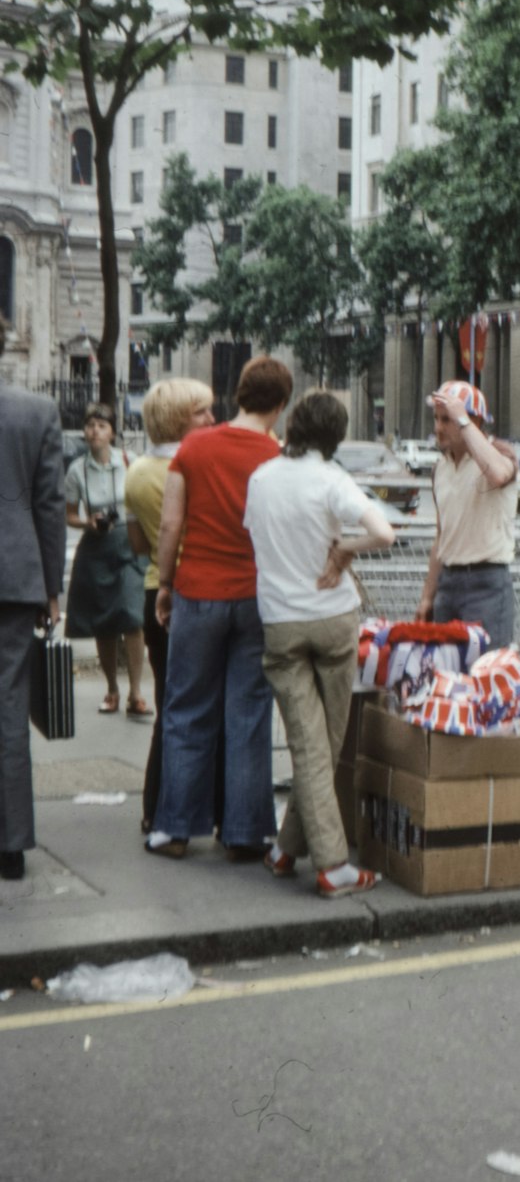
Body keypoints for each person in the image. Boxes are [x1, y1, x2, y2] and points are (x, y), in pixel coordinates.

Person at [245, 389, 393, 898]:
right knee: (322, 746)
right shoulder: (333, 480)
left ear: (291, 426)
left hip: (280, 622)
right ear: (335, 437)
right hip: (333, 619)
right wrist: (344, 550)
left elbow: (256, 538)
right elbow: (385, 533)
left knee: (311, 748)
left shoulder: (261, 478)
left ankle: (286, 850)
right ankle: (332, 867)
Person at [146, 355, 292, 861]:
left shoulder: (194, 446)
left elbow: (170, 526)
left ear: (237, 394)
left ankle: (174, 829)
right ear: (279, 405)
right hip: (256, 596)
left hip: (199, 590)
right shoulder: (277, 455)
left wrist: (166, 585)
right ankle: (248, 831)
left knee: (187, 709)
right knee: (249, 713)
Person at [124, 377, 215, 834]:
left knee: (168, 707)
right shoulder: (198, 467)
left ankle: (154, 806)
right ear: (181, 418)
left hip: (152, 590)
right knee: (207, 709)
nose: (212, 419)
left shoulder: (137, 473)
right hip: (196, 592)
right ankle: (210, 810)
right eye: (202, 412)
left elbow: (138, 542)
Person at [0, 315, 65, 882]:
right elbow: (49, 504)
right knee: (8, 709)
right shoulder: (36, 412)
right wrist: (52, 588)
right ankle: (11, 843)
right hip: (15, 577)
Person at [416, 380, 518, 648]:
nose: (438, 428)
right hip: (448, 583)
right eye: (436, 419)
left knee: (485, 672)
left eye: (446, 420)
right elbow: (442, 536)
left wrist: (463, 421)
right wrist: (428, 595)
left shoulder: (499, 453)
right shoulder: (440, 468)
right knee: (445, 672)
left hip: (487, 582)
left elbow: (498, 474)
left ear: (471, 421)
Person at [64, 403, 149, 716]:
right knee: (103, 621)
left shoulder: (130, 462)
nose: (94, 431)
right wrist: (88, 523)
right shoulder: (77, 470)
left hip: (128, 541)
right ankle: (112, 688)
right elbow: (70, 515)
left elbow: (142, 502)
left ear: (112, 431)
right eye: (89, 425)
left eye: (101, 425)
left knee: (133, 616)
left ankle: (137, 693)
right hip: (97, 546)